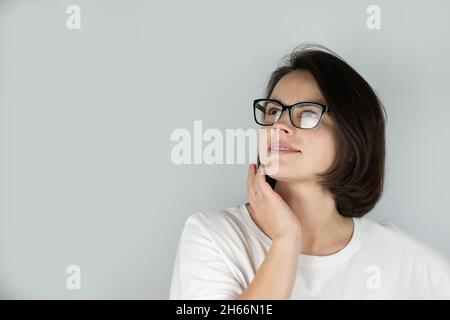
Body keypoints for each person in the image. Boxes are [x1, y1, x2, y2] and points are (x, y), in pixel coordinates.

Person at [169, 44, 450, 299]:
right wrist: (286, 240)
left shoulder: (402, 259)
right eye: (272, 111)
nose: (279, 125)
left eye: (308, 114)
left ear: (352, 139)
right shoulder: (214, 236)